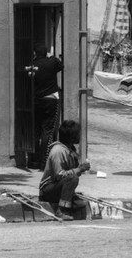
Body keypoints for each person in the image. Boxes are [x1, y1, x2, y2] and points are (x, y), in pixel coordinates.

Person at [39, 120, 90, 221]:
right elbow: (60, 175)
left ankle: (66, 205)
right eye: (77, 135)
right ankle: (61, 211)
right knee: (72, 178)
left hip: (59, 186)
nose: (79, 137)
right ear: (71, 137)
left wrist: (79, 168)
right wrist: (79, 169)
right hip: (48, 189)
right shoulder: (58, 151)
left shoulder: (70, 150)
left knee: (81, 204)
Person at [32, 43, 63, 171]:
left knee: (36, 131)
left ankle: (33, 160)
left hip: (36, 101)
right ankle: (44, 162)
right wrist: (50, 56)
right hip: (50, 100)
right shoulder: (52, 62)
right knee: (47, 132)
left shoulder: (33, 64)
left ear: (35, 53)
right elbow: (61, 65)